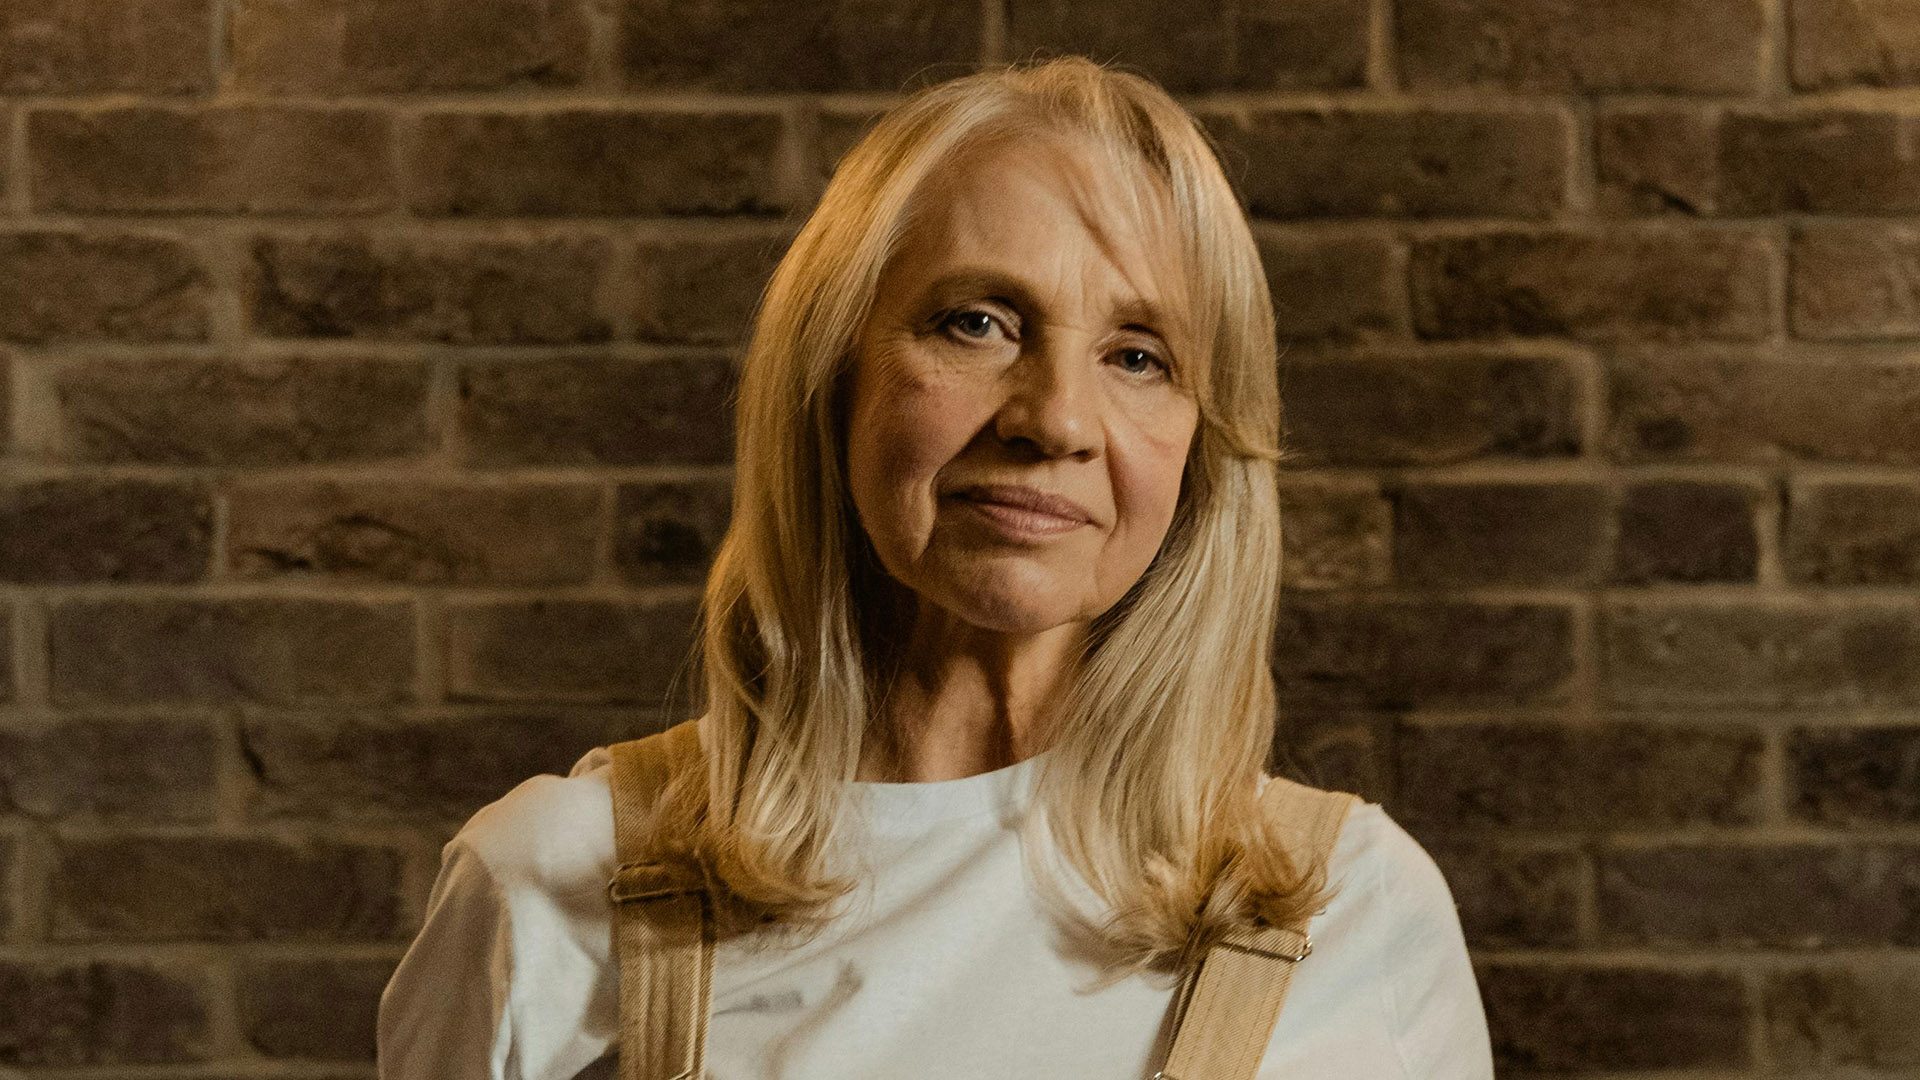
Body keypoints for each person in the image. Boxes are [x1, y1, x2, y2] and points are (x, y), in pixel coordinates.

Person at [377, 55, 1494, 1079]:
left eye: (1138, 355)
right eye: (977, 322)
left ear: (1206, 442)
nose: (1057, 418)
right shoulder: (554, 884)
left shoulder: (1354, 915)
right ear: (836, 376)